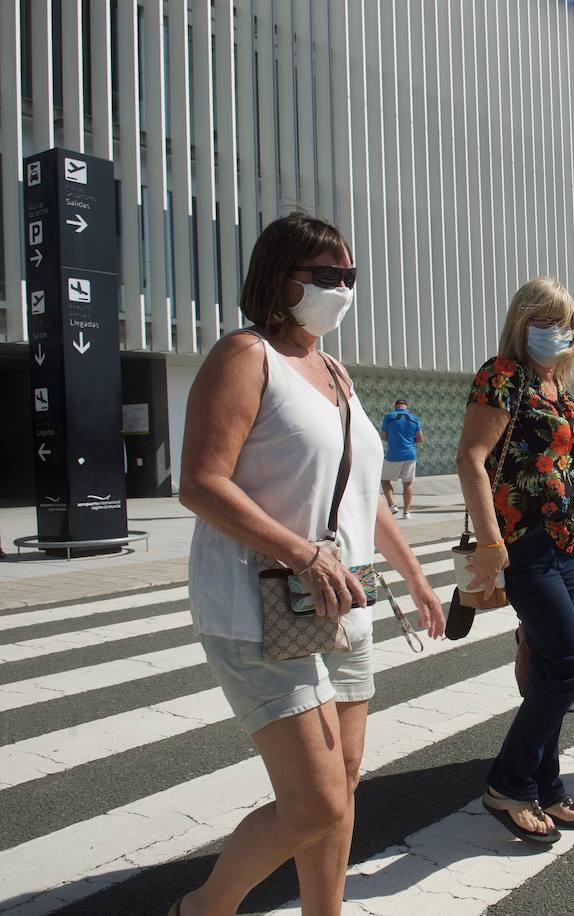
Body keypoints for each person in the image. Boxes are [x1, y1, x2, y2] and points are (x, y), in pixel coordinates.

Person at [174, 213, 446, 916]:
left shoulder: (335, 372)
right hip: (257, 601)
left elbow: (363, 494)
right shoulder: (245, 355)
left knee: (344, 783)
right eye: (324, 276)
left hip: (341, 600)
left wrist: (414, 576)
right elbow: (201, 481)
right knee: (316, 800)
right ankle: (205, 907)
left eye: (349, 277)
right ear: (279, 276)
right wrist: (298, 550)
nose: (340, 289)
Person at [456, 276, 574, 845]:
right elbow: (470, 458)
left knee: (548, 668)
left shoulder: (558, 388)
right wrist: (491, 543)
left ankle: (548, 783)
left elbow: (566, 478)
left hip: (563, 550)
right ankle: (508, 782)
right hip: (524, 546)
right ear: (521, 323)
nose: (555, 331)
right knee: (572, 663)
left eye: (564, 322)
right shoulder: (504, 376)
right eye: (543, 320)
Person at [380, 398, 424, 518]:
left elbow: (383, 437)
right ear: (406, 407)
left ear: (396, 407)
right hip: (410, 454)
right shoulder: (414, 419)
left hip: (393, 455)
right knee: (408, 484)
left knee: (384, 480)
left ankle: (392, 505)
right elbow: (420, 439)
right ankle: (406, 512)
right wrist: (409, 440)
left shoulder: (389, 417)